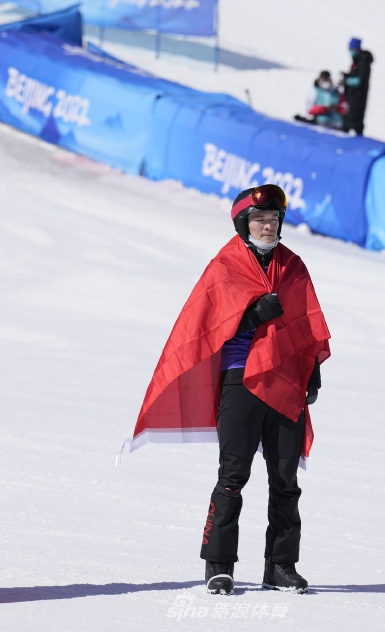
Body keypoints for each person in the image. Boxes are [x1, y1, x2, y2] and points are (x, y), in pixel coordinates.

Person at [131, 185, 331, 595]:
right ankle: (219, 565)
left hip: (286, 379)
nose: (268, 225)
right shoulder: (225, 266)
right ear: (244, 224)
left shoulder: (293, 266)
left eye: (274, 219)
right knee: (233, 476)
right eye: (260, 219)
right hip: (240, 378)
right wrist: (251, 317)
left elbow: (306, 321)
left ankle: (280, 566)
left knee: (285, 479)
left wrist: (311, 370)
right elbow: (203, 326)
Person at [341, 38, 372, 136]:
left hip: (357, 99)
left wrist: (346, 81)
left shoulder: (363, 62)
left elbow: (360, 80)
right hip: (352, 97)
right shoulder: (357, 61)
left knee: (354, 122)